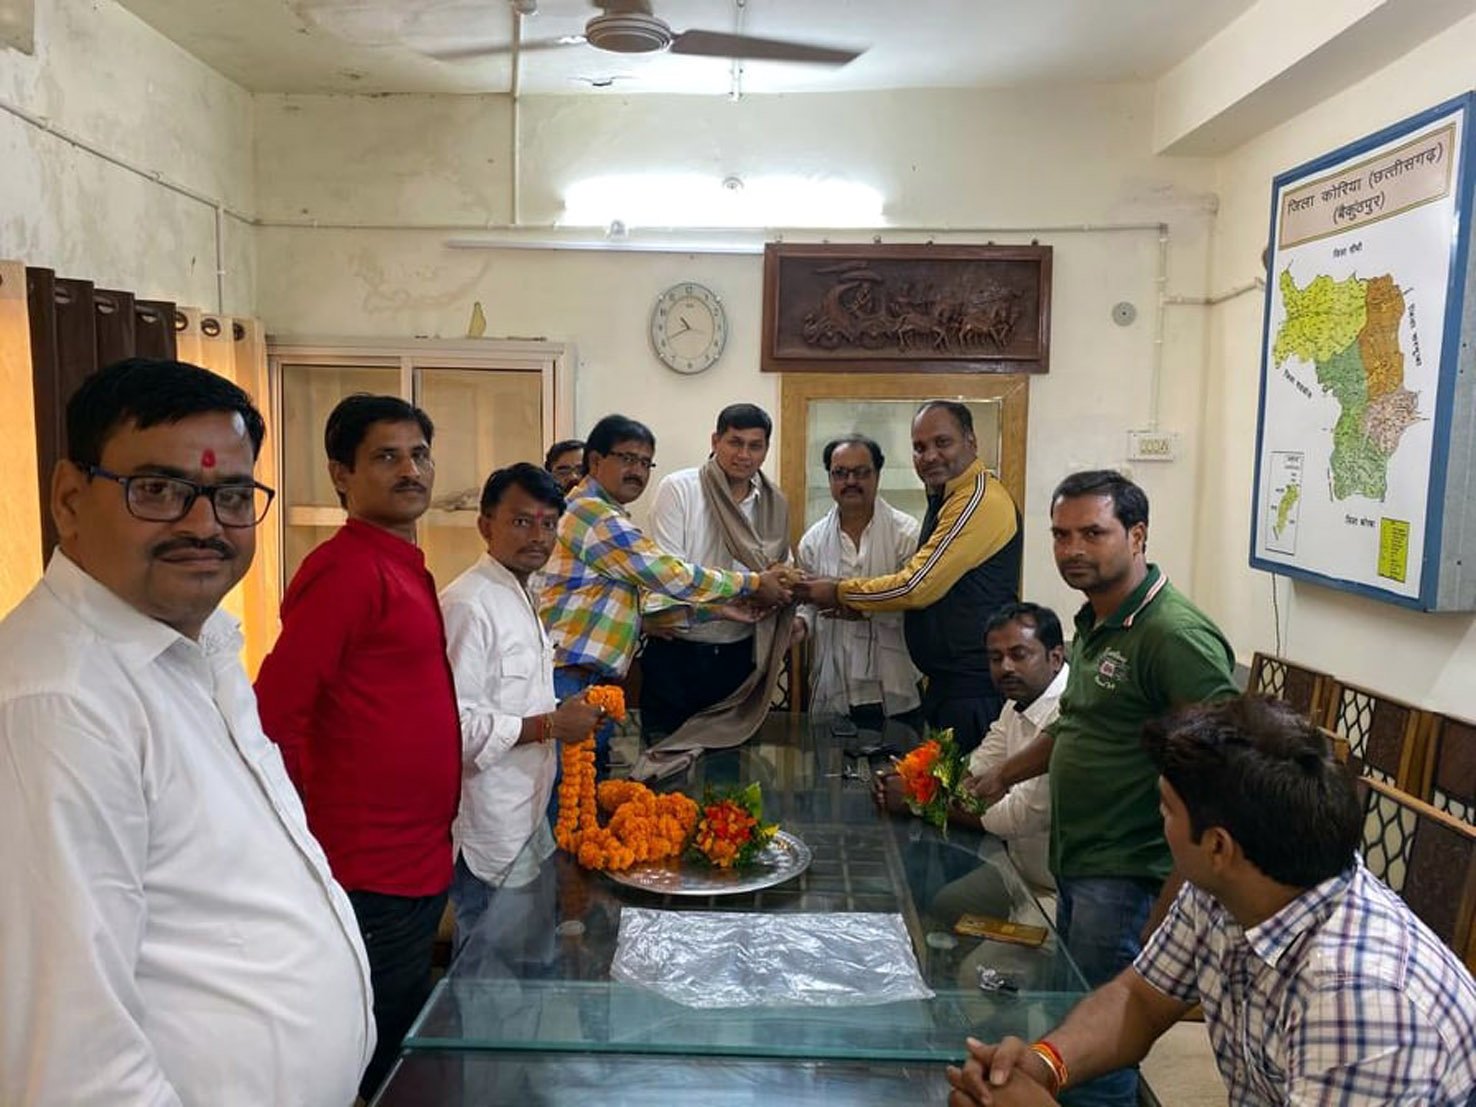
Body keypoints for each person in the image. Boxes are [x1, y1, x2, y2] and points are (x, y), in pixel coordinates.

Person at [0, 359, 373, 1105]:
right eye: (158, 490)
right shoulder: (60, 703)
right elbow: (73, 1072)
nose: (204, 525)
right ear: (69, 499)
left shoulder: (195, 648)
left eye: (231, 496)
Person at [946, 697, 1476, 1107]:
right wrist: (1045, 1064)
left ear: (1219, 846)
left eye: (1165, 809)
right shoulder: (1231, 885)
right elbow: (1140, 998)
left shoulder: (1361, 1005)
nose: (1159, 823)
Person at [972, 469, 1237, 1107]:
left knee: (1104, 1044)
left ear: (1137, 535)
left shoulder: (1172, 634)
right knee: (1076, 1020)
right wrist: (1002, 774)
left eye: (1093, 533)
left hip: (1127, 870)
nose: (1072, 550)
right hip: (1080, 859)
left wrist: (1178, 894)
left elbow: (1225, 769)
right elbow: (1076, 725)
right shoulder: (1096, 622)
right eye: (1061, 535)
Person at [255, 393, 461, 1101]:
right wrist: (305, 839)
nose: (411, 470)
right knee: (366, 1048)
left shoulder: (401, 562)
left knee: (396, 1029)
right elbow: (277, 714)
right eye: (386, 456)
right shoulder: (347, 568)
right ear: (341, 474)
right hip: (369, 865)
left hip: (416, 856)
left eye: (420, 454)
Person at [538, 413, 791, 777]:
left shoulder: (772, 501)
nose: (638, 472)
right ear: (595, 461)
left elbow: (642, 604)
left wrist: (720, 611)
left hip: (606, 679)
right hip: (575, 679)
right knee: (566, 791)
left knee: (585, 791)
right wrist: (751, 584)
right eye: (627, 459)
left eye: (645, 463)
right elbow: (668, 573)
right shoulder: (594, 515)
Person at [439, 463, 604, 956]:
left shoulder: (523, 593)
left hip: (529, 816)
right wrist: (552, 725)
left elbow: (514, 699)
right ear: (485, 525)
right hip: (489, 826)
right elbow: (455, 731)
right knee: (488, 974)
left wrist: (563, 711)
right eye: (521, 521)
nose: (538, 536)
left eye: (548, 523)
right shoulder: (469, 604)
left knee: (530, 960)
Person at [797, 401, 1021, 750]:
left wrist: (840, 592)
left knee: (966, 782)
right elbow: (808, 610)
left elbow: (915, 587)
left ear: (972, 441)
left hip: (966, 686)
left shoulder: (973, 500)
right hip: (926, 685)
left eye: (942, 442)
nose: (930, 456)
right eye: (919, 447)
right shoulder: (945, 499)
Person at [643, 403, 796, 741]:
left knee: (732, 764)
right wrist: (746, 590)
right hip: (678, 653)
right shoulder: (679, 489)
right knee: (665, 758)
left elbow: (782, 569)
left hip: (739, 656)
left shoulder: (773, 503)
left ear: (766, 449)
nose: (744, 455)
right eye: (735, 442)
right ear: (715, 441)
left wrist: (790, 604)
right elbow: (670, 577)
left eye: (755, 446)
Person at [796, 434, 921, 724]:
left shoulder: (906, 535)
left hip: (894, 685)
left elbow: (915, 602)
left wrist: (860, 607)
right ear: (829, 478)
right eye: (840, 473)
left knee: (902, 754)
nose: (850, 481)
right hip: (834, 688)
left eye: (861, 472)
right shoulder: (812, 541)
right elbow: (808, 607)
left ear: (877, 475)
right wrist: (799, 624)